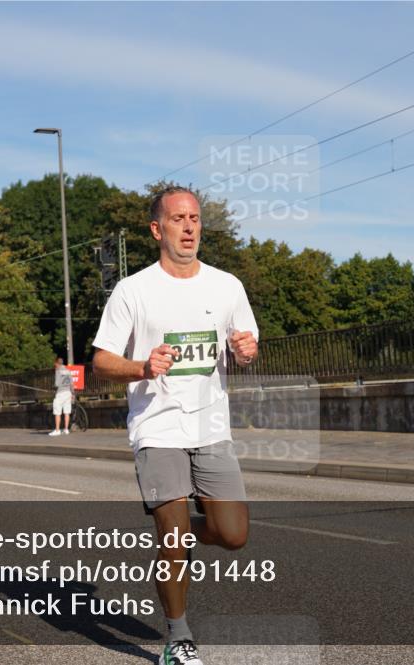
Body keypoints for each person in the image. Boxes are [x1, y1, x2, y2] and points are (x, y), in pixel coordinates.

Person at [92, 186, 259, 665]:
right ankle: (178, 638)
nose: (189, 227)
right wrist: (143, 367)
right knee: (174, 538)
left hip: (212, 427)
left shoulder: (227, 286)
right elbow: (102, 360)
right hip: (158, 428)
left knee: (233, 534)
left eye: (195, 218)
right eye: (178, 219)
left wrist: (246, 352)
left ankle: (192, 526)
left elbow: (244, 349)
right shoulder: (133, 290)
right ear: (156, 229)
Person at [49, 357, 75, 436]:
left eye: (55, 364)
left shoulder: (58, 370)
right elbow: (71, 383)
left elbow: (57, 384)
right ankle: (66, 429)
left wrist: (53, 389)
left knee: (57, 412)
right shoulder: (68, 370)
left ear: (57, 363)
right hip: (68, 392)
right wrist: (73, 394)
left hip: (60, 393)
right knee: (67, 412)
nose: (54, 365)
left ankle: (57, 430)